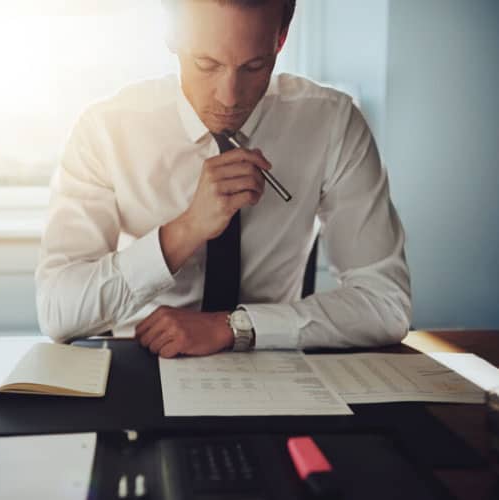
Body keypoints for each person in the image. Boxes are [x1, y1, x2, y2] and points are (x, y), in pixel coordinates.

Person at [35, 0, 411, 358]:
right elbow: (58, 311)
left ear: (281, 38)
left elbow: (386, 303)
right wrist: (184, 231)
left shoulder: (332, 123)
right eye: (206, 63)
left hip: (272, 367)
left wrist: (234, 327)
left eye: (254, 66)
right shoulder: (105, 130)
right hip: (140, 364)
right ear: (173, 34)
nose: (229, 97)